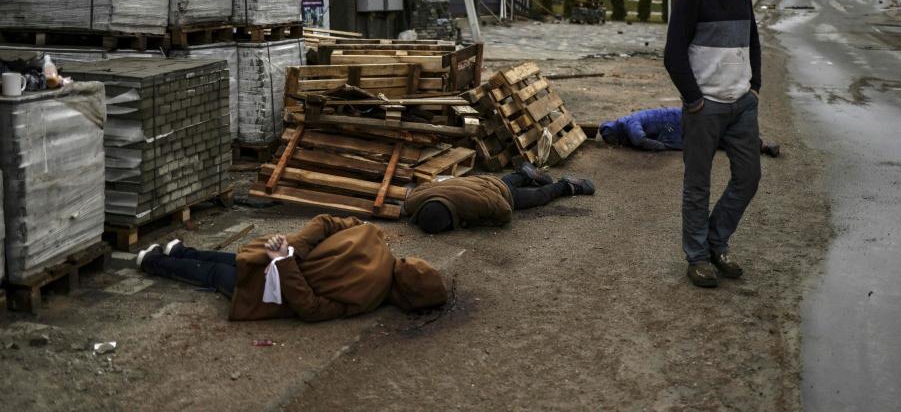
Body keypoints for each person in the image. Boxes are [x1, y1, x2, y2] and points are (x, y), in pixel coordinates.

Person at [663, 0, 762, 288]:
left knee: (749, 176)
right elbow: (673, 54)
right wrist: (694, 100)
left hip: (742, 104)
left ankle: (717, 242)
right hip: (706, 107)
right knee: (697, 185)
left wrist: (755, 87)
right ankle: (699, 257)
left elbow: (753, 41)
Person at [136, 214, 447, 321]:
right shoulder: (369, 297)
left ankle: (176, 251)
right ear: (405, 299)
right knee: (218, 274)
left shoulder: (373, 235)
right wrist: (287, 257)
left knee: (234, 260)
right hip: (276, 287)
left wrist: (293, 247)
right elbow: (311, 309)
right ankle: (153, 262)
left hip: (277, 263)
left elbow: (326, 222)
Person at [406, 162, 596, 234]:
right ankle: (524, 174)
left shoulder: (475, 204)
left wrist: (483, 222)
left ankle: (566, 186)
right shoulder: (414, 201)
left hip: (498, 193)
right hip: (480, 180)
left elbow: (504, 211)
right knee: (505, 181)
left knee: (539, 196)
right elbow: (424, 185)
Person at [600, 107, 781, 157]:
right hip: (674, 125)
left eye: (614, 141)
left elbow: (639, 139)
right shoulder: (629, 121)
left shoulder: (629, 121)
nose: (616, 145)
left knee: (718, 134)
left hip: (674, 124)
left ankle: (761, 145)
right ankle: (760, 146)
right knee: (717, 136)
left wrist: (659, 146)